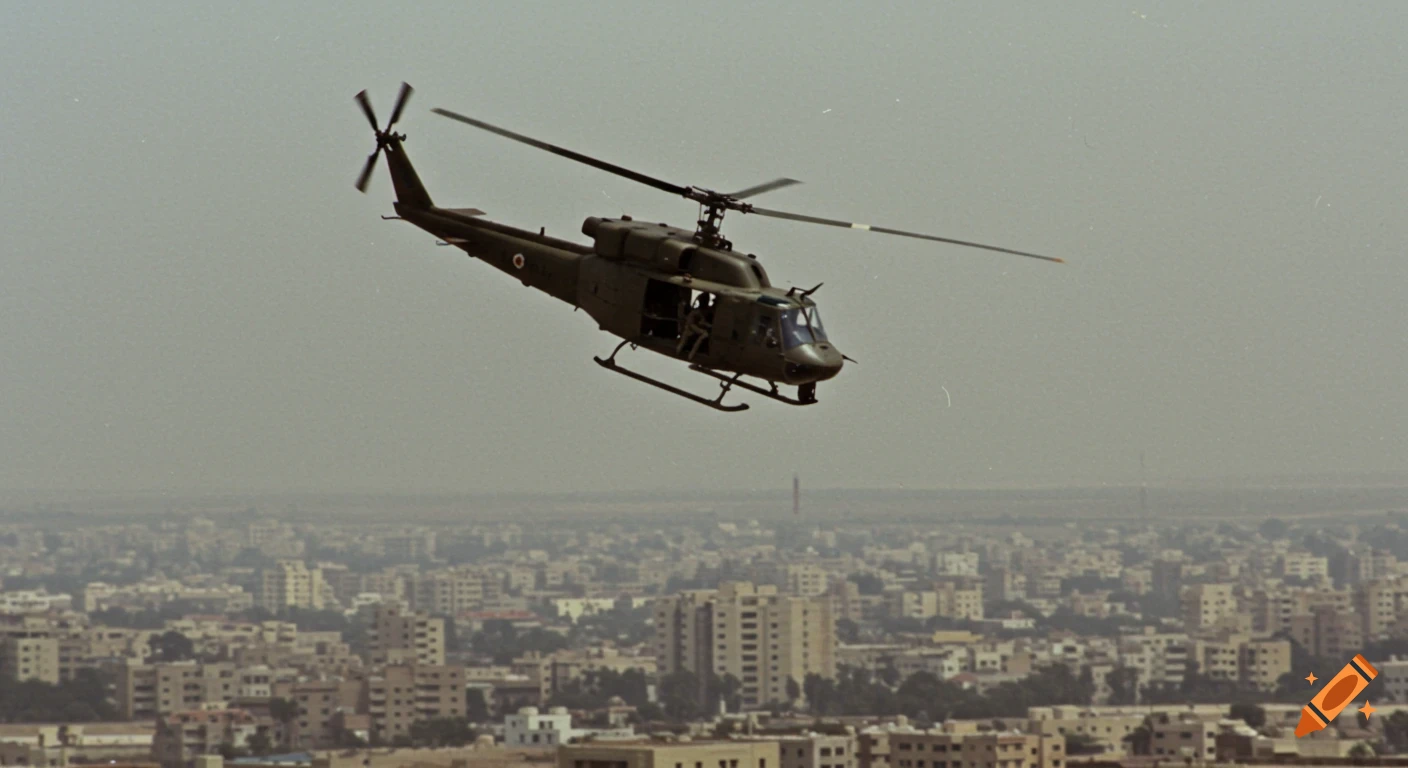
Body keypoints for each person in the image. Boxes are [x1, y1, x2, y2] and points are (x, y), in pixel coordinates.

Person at [677, 294, 712, 360]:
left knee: (702, 335)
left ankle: (689, 354)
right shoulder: (697, 312)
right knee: (688, 334)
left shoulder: (703, 311)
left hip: (692, 328)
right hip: (690, 328)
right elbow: (693, 323)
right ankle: (687, 354)